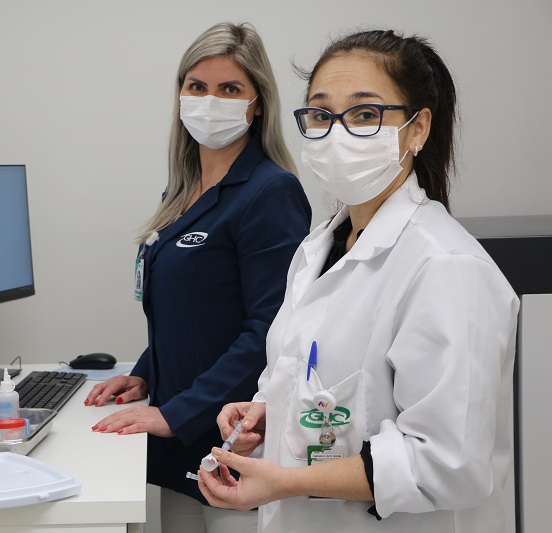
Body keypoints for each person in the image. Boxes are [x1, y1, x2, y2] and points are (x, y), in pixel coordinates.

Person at [198, 29, 519, 533]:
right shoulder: (320, 247)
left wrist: (285, 480)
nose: (337, 134)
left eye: (365, 114)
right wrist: (269, 411)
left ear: (417, 129)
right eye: (321, 115)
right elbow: (316, 376)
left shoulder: (447, 267)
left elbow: (446, 463)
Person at [84, 22, 311, 533]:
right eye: (197, 87)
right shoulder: (184, 189)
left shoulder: (270, 193)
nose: (210, 101)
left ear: (257, 102)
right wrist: (145, 372)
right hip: (178, 438)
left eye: (229, 89)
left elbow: (269, 331)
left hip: (232, 444)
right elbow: (188, 310)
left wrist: (176, 413)